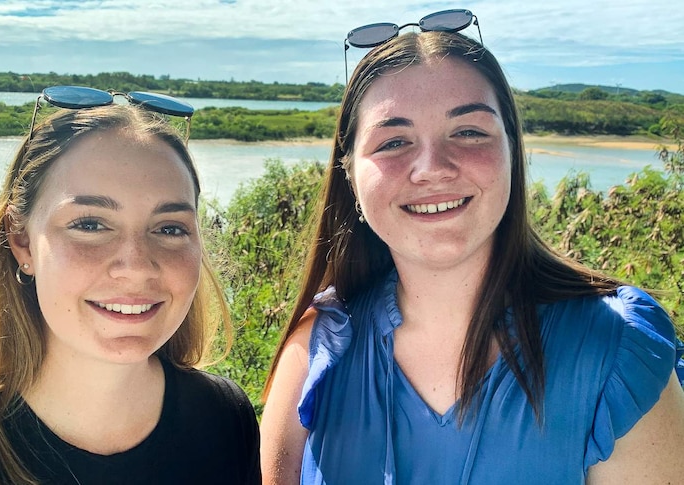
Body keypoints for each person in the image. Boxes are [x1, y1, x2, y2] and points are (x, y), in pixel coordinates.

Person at [260, 21, 684, 485]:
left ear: (511, 151)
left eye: (468, 131)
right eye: (394, 142)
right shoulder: (317, 354)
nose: (432, 169)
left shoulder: (614, 353)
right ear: (350, 176)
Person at [0, 88, 261, 484]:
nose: (136, 267)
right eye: (89, 224)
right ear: (21, 241)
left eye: (170, 228)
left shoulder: (224, 418)